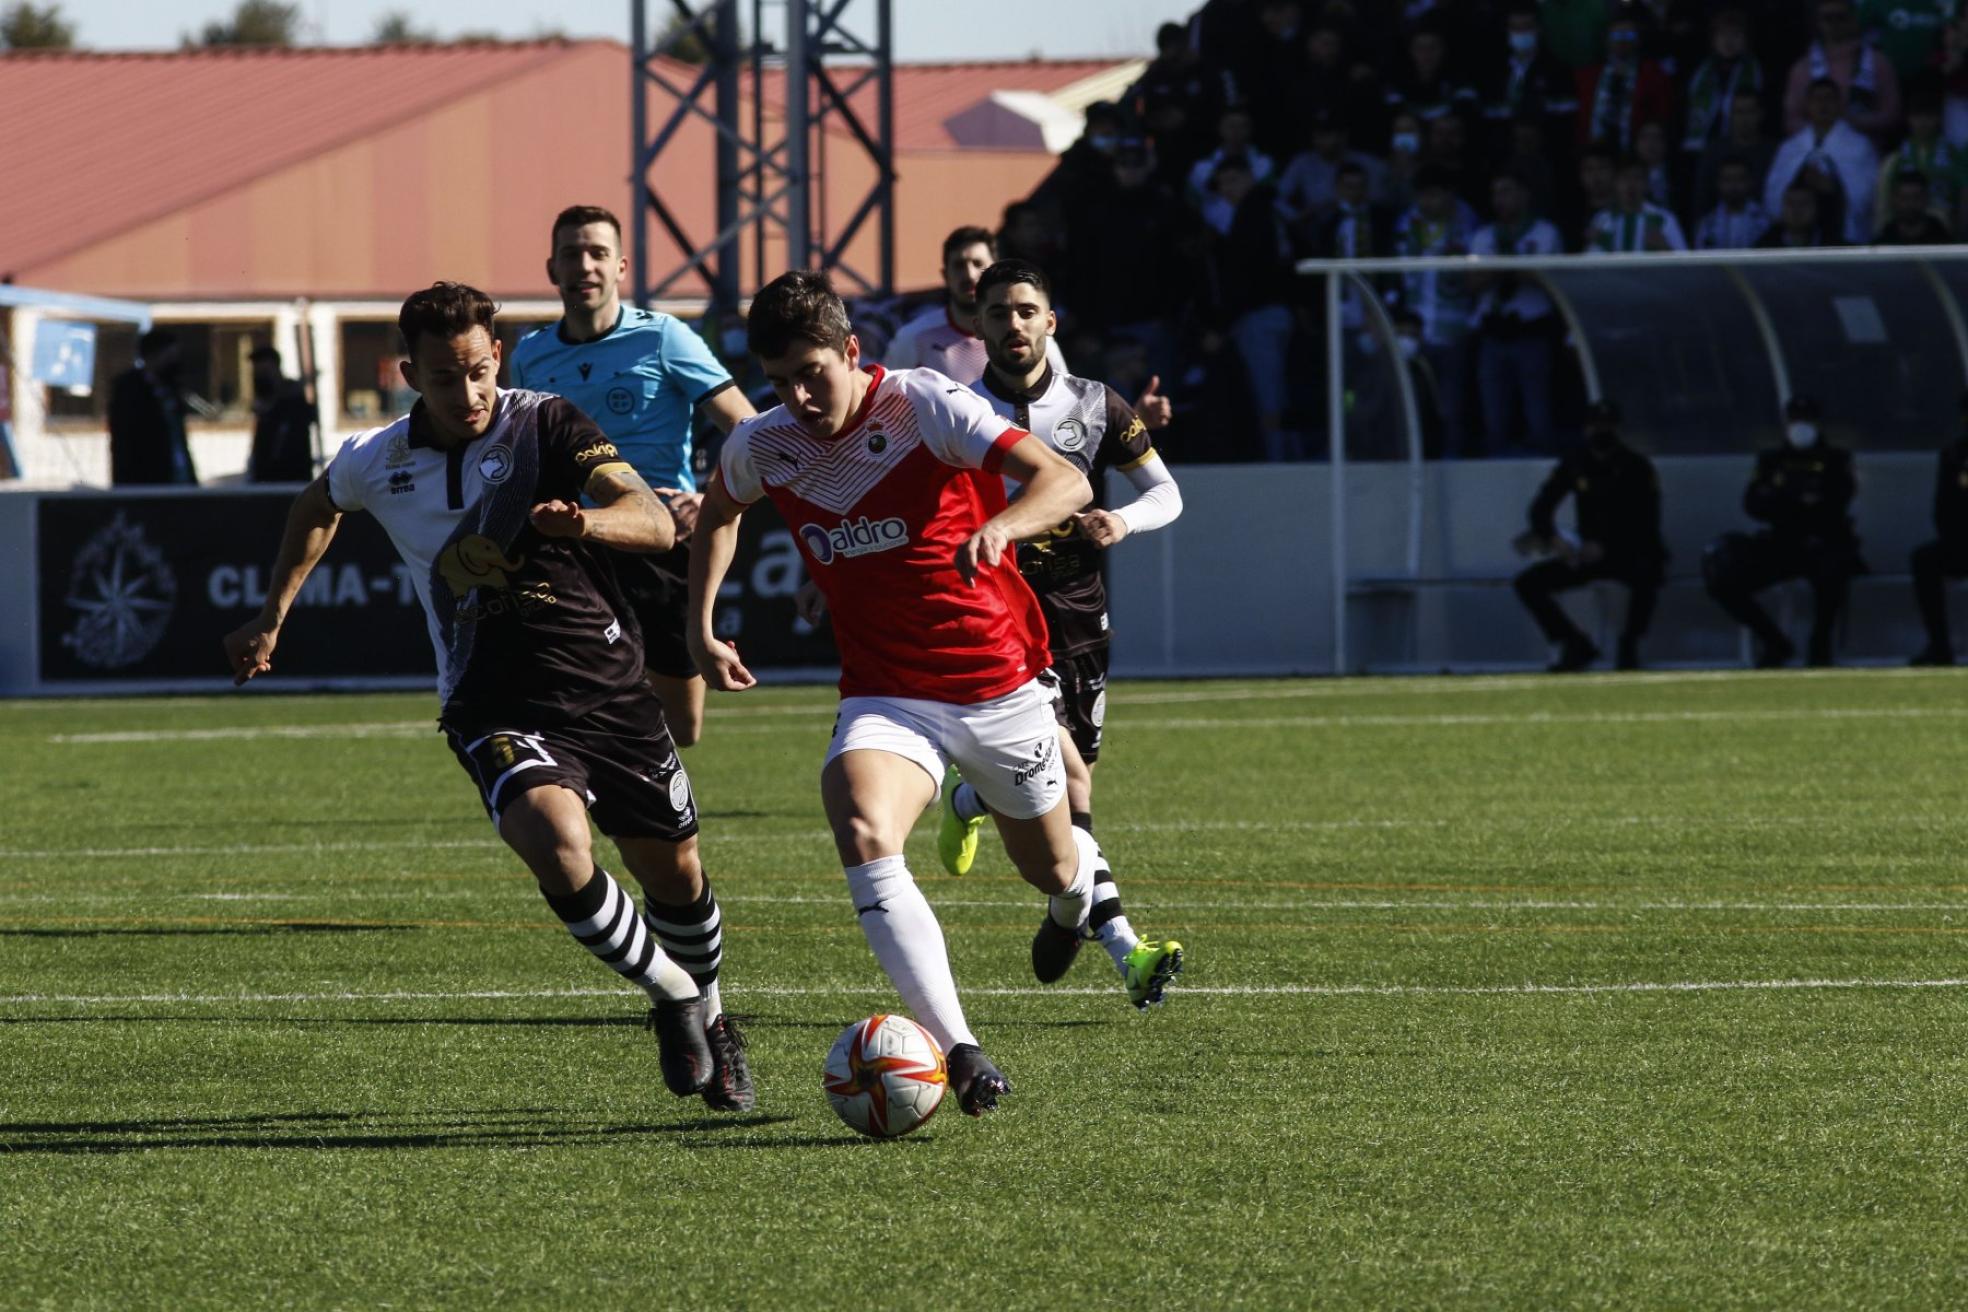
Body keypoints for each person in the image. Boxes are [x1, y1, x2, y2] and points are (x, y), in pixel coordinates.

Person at [221, 282, 753, 1112]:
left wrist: (583, 524)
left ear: (495, 357)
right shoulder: (379, 458)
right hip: (491, 701)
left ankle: (715, 1019)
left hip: (608, 689)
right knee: (552, 837)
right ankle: (674, 995)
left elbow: (650, 520)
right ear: (408, 374)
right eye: (443, 379)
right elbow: (317, 505)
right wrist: (271, 616)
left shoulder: (547, 423)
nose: (466, 394)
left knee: (675, 874)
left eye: (476, 371)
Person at [688, 270, 1151, 1117]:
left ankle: (1072, 901)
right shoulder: (765, 443)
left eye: (813, 374)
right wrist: (700, 628)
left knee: (1052, 866)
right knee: (859, 820)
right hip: (888, 695)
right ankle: (960, 1049)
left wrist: (1002, 526)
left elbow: (1069, 481)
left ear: (853, 353)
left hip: (1001, 685)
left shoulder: (925, 405)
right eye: (781, 380)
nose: (798, 396)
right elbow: (721, 511)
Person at [940, 258, 1186, 1006]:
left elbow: (1167, 493)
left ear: (1051, 321)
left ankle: (1002, 837)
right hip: (998, 614)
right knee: (1069, 779)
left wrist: (1123, 519)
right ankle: (1126, 949)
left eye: (1025, 311)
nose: (1012, 325)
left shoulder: (1095, 404)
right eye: (997, 314)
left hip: (1079, 613)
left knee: (1074, 794)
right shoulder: (951, 411)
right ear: (977, 328)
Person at [509, 205, 756, 749]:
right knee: (578, 699)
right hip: (576, 541)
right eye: (572, 254)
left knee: (682, 728)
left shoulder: (665, 338)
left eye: (598, 253)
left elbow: (748, 428)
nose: (585, 265)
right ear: (553, 270)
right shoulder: (530, 355)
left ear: (620, 267)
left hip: (658, 542)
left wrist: (709, 496)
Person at [1702, 395, 1863, 668]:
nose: (1801, 425)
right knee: (1724, 581)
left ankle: (1819, 645)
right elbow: (1753, 504)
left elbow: (1838, 500)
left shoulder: (1837, 459)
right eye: (1796, 419)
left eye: (1807, 419)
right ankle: (1775, 642)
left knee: (1832, 575)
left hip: (1823, 543)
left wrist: (1783, 500)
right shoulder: (1771, 460)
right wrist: (1798, 501)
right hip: (1782, 544)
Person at [1511, 400, 1667, 671]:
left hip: (1630, 551)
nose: (1601, 431)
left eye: (1607, 425)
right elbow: (1541, 507)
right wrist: (1554, 539)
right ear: (1586, 429)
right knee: (1528, 583)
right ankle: (1574, 643)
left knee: (1648, 574)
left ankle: (1629, 644)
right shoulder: (1575, 463)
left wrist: (1607, 546)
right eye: (1596, 425)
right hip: (1585, 553)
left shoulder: (1637, 467)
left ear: (1616, 428)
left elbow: (1647, 521)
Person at [884, 225, 1066, 383]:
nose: (969, 275)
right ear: (945, 275)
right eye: (959, 265)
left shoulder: (1032, 336)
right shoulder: (913, 337)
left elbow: (1064, 401)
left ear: (995, 269)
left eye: (978, 263)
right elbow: (887, 404)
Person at [1469, 173, 1563, 456]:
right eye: (1496, 192)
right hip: (1492, 331)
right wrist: (1513, 267)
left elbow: (1547, 278)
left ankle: (1542, 465)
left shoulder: (1546, 233)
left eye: (1507, 191)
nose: (1501, 199)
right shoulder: (1483, 236)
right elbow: (1472, 283)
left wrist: (1498, 266)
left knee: (1537, 412)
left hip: (1530, 331)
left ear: (1525, 195)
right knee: (1493, 415)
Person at [1765, 77, 1881, 244]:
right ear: (1808, 104)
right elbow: (1774, 196)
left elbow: (1868, 195)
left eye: (1829, 99)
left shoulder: (1859, 146)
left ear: (1839, 103)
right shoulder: (1790, 147)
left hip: (1844, 236)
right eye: (1817, 99)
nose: (1823, 105)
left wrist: (1833, 186)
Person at [1784, 0, 1903, 146]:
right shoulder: (1802, 68)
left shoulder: (1878, 63)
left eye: (1841, 17)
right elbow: (1791, 119)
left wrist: (1854, 123)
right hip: (1816, 153)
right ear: (1818, 22)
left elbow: (1892, 115)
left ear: (1853, 19)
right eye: (1827, 18)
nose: (1834, 24)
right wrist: (1825, 127)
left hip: (1866, 152)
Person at [1908, 391, 1968, 666]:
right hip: (1962, 542)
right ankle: (1940, 646)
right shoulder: (1954, 455)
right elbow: (1943, 507)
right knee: (1925, 559)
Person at [108, 327, 196, 486]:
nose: (173, 362)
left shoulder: (171, 389)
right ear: (153, 356)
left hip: (179, 478)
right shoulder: (130, 390)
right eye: (169, 356)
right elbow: (125, 444)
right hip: (147, 482)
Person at [1574, 12, 1675, 151]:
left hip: (1634, 156)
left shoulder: (1653, 75)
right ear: (1607, 40)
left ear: (1638, 40)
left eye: (1629, 35)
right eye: (1616, 36)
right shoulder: (1587, 76)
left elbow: (1662, 114)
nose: (1622, 41)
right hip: (1594, 154)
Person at [1584, 156, 1690, 252]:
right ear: (1615, 183)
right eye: (1625, 178)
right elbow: (1591, 264)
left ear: (1647, 184)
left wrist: (1665, 248)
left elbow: (1685, 264)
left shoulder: (1664, 219)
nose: (1631, 185)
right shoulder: (1602, 220)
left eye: (1637, 178)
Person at [245, 345, 318, 483]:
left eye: (264, 370)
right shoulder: (263, 406)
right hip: (264, 480)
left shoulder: (293, 402)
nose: (259, 376)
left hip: (290, 481)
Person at [1694, 156, 1774, 248]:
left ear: (1750, 181)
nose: (1733, 186)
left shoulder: (1765, 222)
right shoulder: (1707, 224)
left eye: (1739, 179)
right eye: (1727, 179)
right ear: (1718, 183)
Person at [1875, 169, 1954, 241]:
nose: (1910, 204)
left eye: (1916, 197)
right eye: (1904, 198)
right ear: (1894, 199)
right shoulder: (1885, 240)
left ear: (1926, 198)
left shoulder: (1941, 238)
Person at [1755, 179, 1838, 246]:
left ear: (1816, 208)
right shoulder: (1765, 248)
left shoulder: (1835, 248)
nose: (1796, 209)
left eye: (1804, 203)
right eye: (1791, 203)